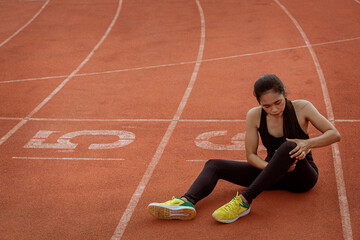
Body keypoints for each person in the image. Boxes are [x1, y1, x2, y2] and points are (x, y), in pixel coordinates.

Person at [147, 74, 341, 223]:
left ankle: (244, 202)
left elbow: (334, 134)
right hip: (269, 173)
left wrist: (307, 143)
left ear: (285, 93)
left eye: (278, 102)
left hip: (301, 176)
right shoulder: (254, 116)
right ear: (258, 103)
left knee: (288, 146)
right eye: (266, 106)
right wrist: (273, 169)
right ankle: (186, 201)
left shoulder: (303, 108)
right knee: (213, 164)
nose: (273, 109)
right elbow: (251, 156)